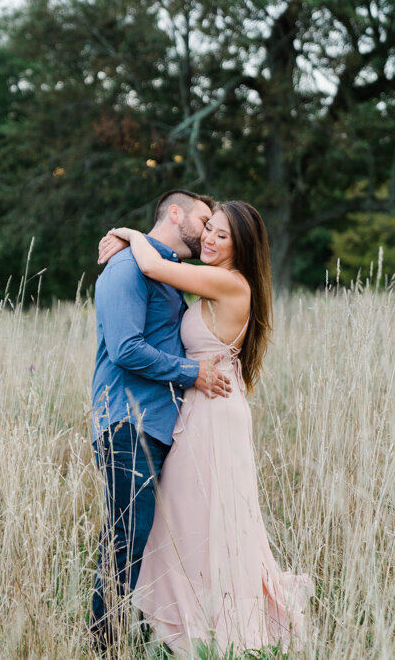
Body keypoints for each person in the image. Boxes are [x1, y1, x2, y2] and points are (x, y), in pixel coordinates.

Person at [98, 201, 311, 654]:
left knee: (199, 517)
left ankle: (208, 617)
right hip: (202, 407)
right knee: (193, 517)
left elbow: (153, 264)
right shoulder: (219, 284)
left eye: (221, 236)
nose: (209, 240)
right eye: (208, 229)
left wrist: (126, 233)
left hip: (212, 412)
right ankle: (184, 613)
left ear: (242, 247)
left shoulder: (228, 283)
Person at [89, 189, 233, 651]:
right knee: (126, 540)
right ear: (176, 214)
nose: (209, 230)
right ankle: (104, 645)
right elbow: (126, 348)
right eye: (204, 219)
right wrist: (194, 373)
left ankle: (140, 634)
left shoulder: (161, 269)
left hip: (158, 426)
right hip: (127, 423)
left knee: (144, 542)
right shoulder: (128, 267)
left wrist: (128, 234)